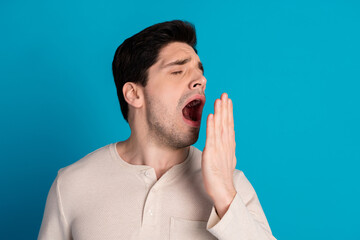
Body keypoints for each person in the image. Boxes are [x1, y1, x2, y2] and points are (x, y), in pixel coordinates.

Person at [38, 20, 276, 240]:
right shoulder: (72, 185)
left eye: (200, 72)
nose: (201, 81)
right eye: (178, 71)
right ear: (134, 94)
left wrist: (224, 196)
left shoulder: (232, 184)